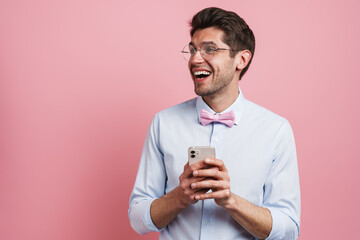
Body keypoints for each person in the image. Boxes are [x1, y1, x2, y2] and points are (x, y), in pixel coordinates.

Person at [128, 7, 300, 240]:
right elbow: (138, 219)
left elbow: (288, 230)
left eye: (210, 49)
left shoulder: (275, 130)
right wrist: (180, 196)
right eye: (192, 50)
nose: (195, 59)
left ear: (241, 59)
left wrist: (230, 201)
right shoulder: (163, 123)